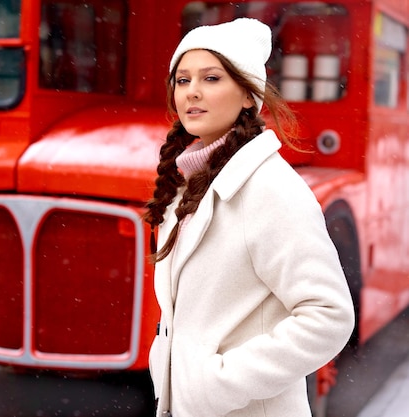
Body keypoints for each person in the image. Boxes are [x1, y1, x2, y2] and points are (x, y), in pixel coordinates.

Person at [144, 18, 355, 417]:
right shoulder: (190, 183)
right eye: (183, 80)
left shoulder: (270, 188)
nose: (192, 92)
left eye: (211, 78)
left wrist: (220, 384)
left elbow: (328, 316)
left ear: (247, 95)